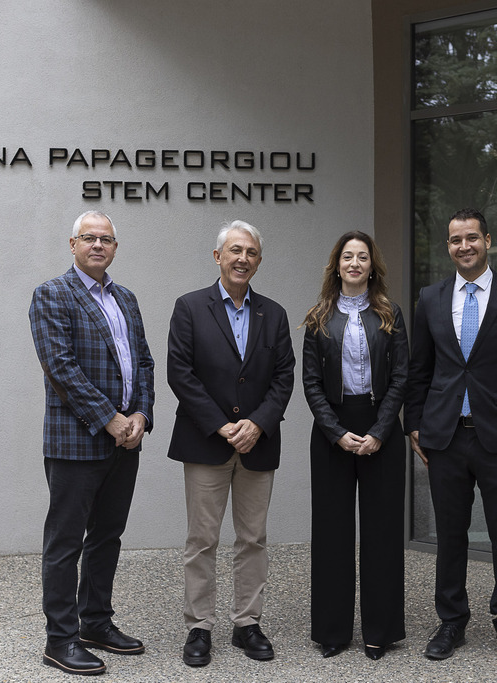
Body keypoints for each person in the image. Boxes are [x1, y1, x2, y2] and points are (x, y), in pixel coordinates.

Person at [404, 207, 497, 668]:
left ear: (487, 240)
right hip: (445, 436)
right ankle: (451, 621)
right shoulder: (430, 298)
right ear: (447, 246)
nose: (463, 246)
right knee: (450, 534)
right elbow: (420, 368)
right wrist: (413, 424)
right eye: (455, 240)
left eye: (471, 238)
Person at [29, 210, 155, 676]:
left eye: (106, 239)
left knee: (107, 536)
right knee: (65, 543)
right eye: (89, 238)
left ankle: (95, 623)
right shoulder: (52, 294)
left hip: (126, 440)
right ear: (73, 244)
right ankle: (60, 640)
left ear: (115, 248)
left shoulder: (126, 298)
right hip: (76, 441)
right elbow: (60, 366)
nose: (98, 245)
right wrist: (110, 419)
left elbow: (144, 362)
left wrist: (140, 415)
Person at [167, 220, 295, 668]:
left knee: (253, 538)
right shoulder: (189, 307)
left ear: (259, 261)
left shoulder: (273, 314)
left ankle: (247, 624)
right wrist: (223, 426)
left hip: (258, 444)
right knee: (202, 539)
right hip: (207, 442)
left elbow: (284, 377)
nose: (243, 259)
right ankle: (199, 627)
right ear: (218, 256)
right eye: (235, 250)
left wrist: (257, 424)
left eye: (251, 252)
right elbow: (180, 373)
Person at [301, 231, 409, 661]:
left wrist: (380, 431)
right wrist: (335, 431)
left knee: (382, 533)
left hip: (381, 428)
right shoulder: (318, 318)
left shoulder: (390, 314)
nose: (354, 263)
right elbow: (311, 383)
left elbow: (401, 377)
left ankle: (380, 631)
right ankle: (332, 631)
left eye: (362, 257)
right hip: (333, 431)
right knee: (332, 533)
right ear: (337, 265)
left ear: (371, 266)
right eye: (347, 256)